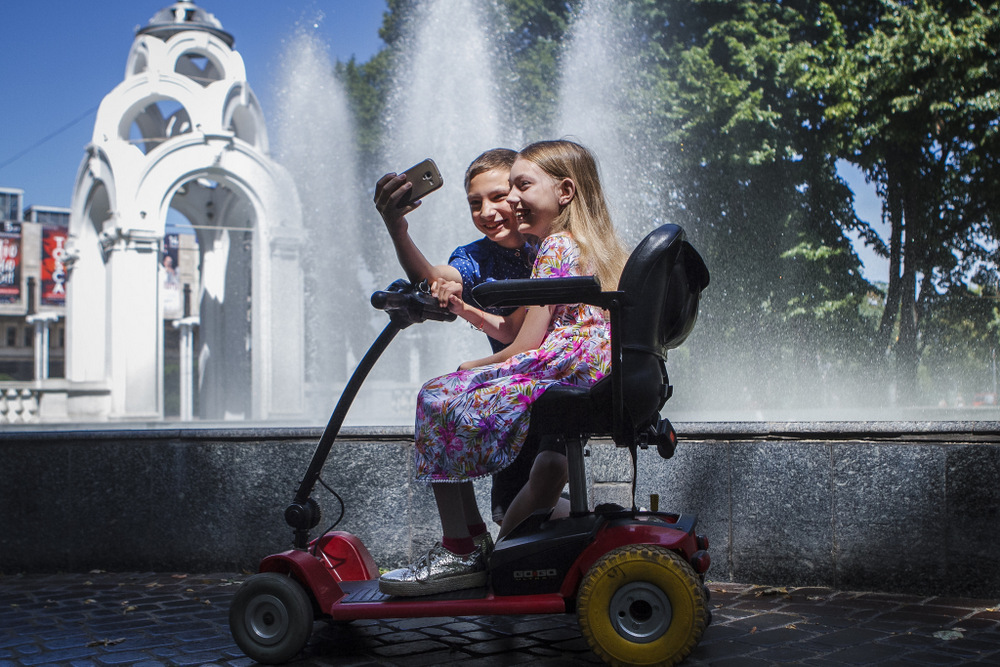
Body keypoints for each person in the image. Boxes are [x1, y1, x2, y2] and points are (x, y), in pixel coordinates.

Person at [379, 140, 629, 596]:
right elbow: (485, 305)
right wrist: (404, 236)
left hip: (552, 373)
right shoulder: (585, 244)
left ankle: (464, 549)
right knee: (527, 491)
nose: (503, 205)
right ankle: (517, 548)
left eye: (514, 191)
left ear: (564, 192)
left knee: (436, 397)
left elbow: (525, 340)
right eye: (478, 202)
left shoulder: (550, 245)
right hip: (580, 371)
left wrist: (477, 365)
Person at [374, 149, 534, 354]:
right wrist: (397, 229)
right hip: (517, 376)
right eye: (475, 203)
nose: (485, 212)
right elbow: (430, 278)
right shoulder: (475, 258)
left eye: (498, 197)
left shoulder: (550, 244)